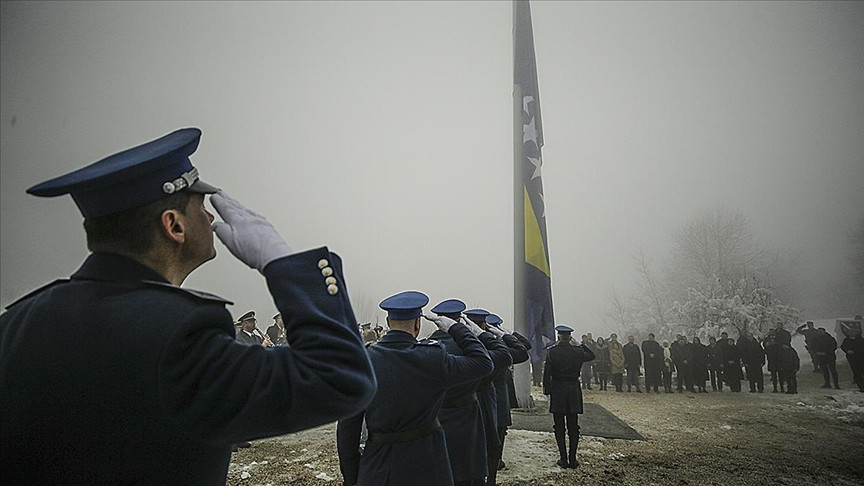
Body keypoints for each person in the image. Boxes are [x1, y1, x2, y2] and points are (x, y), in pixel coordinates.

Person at [0, 128, 376, 484]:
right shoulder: (179, 336)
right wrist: (283, 263)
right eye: (200, 205)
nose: (210, 217)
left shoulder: (15, 324)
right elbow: (340, 378)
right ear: (174, 225)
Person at [336, 291, 493, 486]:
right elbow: (483, 363)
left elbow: (347, 430)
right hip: (428, 464)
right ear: (417, 325)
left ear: (388, 321)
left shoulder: (362, 363)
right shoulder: (432, 358)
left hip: (378, 464)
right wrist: (455, 328)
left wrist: (353, 477)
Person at [428, 299, 507, 486]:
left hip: (435, 418)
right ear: (461, 321)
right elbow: (507, 355)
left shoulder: (426, 346)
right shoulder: (474, 349)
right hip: (468, 420)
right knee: (469, 473)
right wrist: (480, 334)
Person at [464, 308, 513, 486]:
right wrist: (501, 335)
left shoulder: (462, 345)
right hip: (487, 397)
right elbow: (521, 350)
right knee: (492, 442)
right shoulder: (493, 347)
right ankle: (489, 479)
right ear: (484, 325)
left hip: (469, 401)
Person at [485, 313, 529, 485]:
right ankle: (493, 470)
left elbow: (526, 346)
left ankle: (495, 464)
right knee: (497, 433)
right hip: (498, 392)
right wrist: (506, 334)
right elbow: (524, 348)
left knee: (497, 432)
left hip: (496, 393)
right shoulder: (500, 347)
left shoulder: (489, 344)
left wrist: (505, 333)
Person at [543, 325, 595, 469]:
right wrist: (579, 344)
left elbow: (547, 374)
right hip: (573, 389)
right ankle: (573, 458)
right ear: (570, 337)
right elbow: (591, 355)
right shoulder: (578, 351)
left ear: (559, 337)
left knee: (559, 427)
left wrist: (547, 391)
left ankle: (563, 458)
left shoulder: (552, 352)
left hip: (558, 389)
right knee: (573, 426)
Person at [840, 320, 864, 392]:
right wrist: (847, 351)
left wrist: (855, 351)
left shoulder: (860, 340)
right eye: (850, 332)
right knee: (856, 373)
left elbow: (862, 348)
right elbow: (843, 346)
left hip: (861, 358)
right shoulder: (846, 339)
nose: (852, 333)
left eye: (853, 332)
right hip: (851, 359)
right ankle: (862, 387)